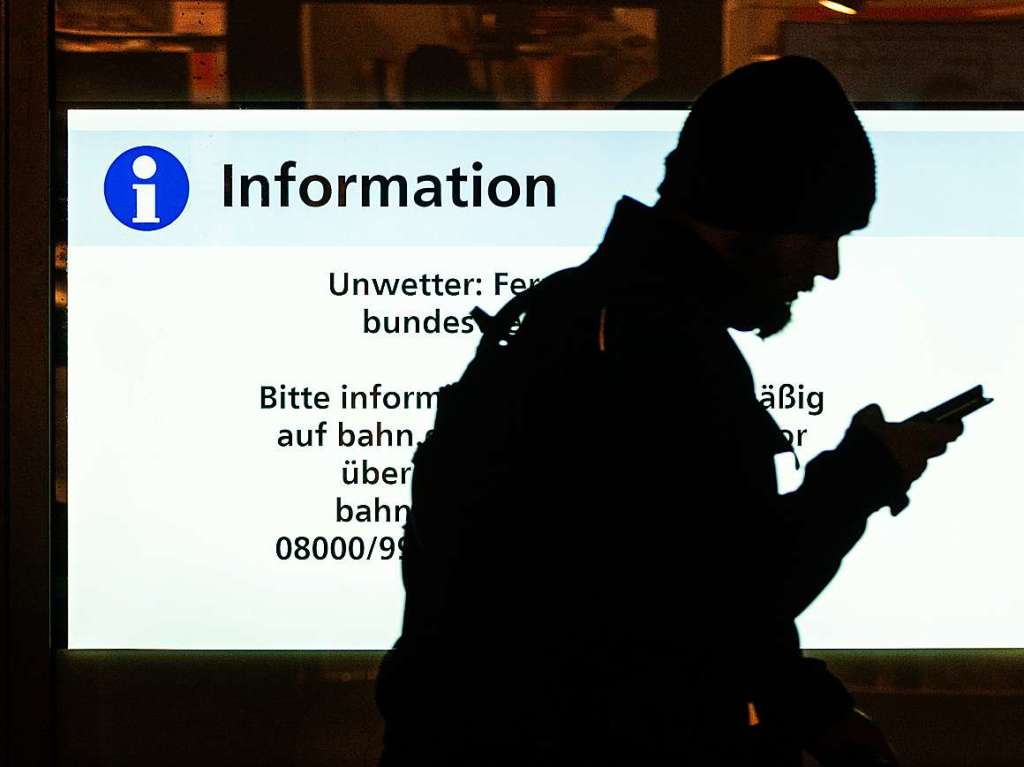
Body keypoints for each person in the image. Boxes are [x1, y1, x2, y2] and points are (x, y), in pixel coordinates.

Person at [376, 56, 963, 766]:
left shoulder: (589, 316)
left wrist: (812, 707)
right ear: (757, 208)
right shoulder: (651, 349)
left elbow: (670, 578)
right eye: (818, 233)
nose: (828, 266)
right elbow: (724, 601)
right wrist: (863, 475)